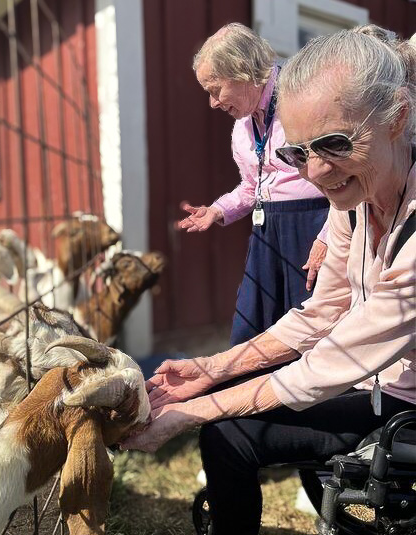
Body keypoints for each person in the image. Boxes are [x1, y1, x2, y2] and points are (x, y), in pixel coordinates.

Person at [122, 25, 416, 535]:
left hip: (403, 403)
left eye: (334, 144)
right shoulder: (354, 203)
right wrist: (209, 369)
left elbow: (327, 364)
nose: (316, 172)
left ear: (398, 116)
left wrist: (194, 411)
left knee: (228, 433)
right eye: (298, 152)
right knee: (236, 431)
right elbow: (320, 316)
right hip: (377, 389)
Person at [178, 23, 330, 346]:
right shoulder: (242, 126)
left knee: (308, 338)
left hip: (312, 228)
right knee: (250, 330)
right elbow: (253, 185)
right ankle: (251, 397)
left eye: (215, 89)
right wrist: (217, 211)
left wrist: (329, 237)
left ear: (242, 71)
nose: (213, 103)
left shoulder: (300, 98)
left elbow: (342, 176)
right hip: (267, 232)